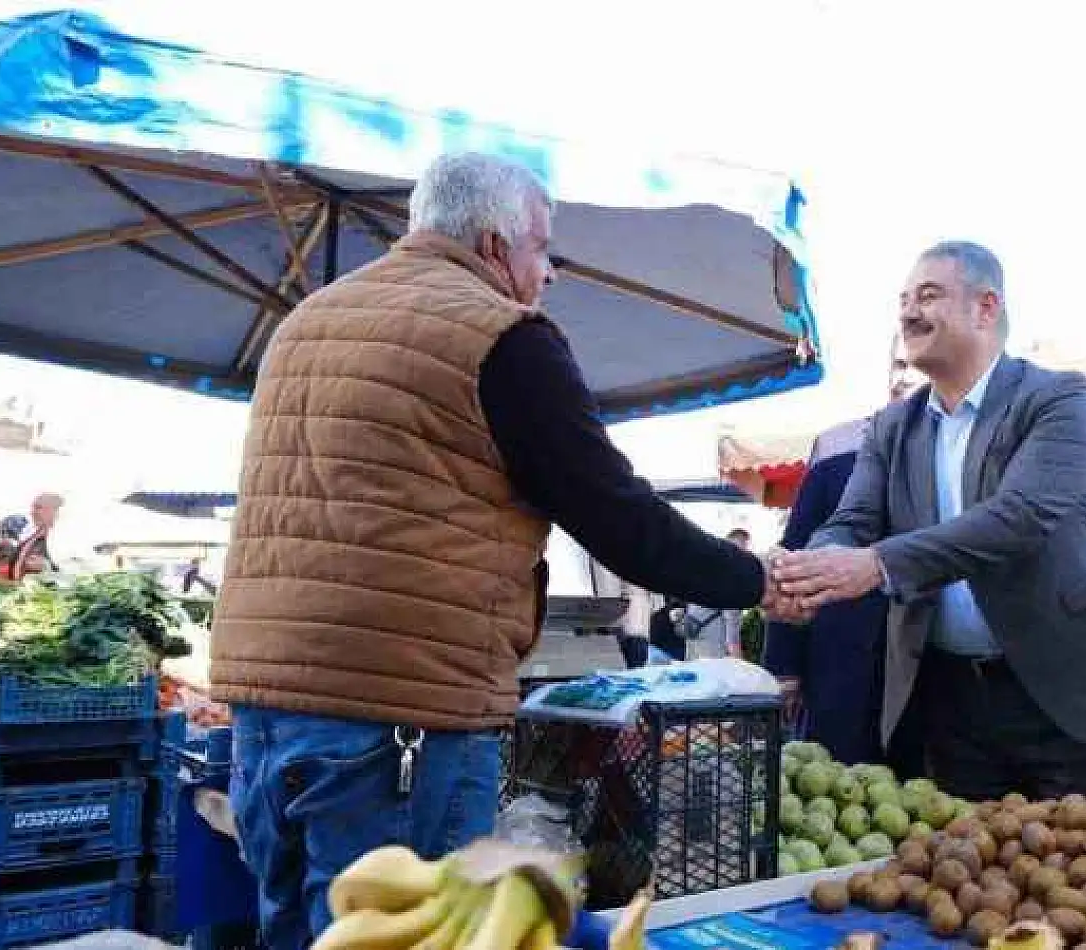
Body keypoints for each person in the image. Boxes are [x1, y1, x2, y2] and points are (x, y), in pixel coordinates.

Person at [209, 152, 779, 949]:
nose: (548, 275)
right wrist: (757, 577)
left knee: (301, 934)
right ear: (492, 244)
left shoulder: (304, 322)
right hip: (398, 726)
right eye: (543, 250)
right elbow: (616, 516)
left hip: (264, 715)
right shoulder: (503, 335)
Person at [771, 240, 1086, 800]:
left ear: (986, 307)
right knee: (971, 875)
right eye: (903, 299)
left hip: (1066, 694)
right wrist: (808, 571)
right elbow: (851, 520)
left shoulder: (1058, 398)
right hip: (950, 700)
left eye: (929, 295)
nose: (908, 312)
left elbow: (1019, 518)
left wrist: (877, 565)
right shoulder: (892, 427)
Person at [764, 341, 927, 768]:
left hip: (930, 661)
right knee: (838, 783)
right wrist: (784, 665)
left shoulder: (966, 445)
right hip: (843, 656)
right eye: (900, 365)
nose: (908, 376)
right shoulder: (838, 446)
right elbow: (795, 550)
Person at [682, 529, 754, 660]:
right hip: (714, 652)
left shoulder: (705, 571)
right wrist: (741, 666)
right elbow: (731, 639)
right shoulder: (732, 580)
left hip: (693, 644)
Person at [10, 493, 62, 581]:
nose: (32, 512)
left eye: (38, 507)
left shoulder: (66, 538)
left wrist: (45, 566)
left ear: (55, 510)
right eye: (33, 508)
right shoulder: (32, 534)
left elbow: (73, 571)